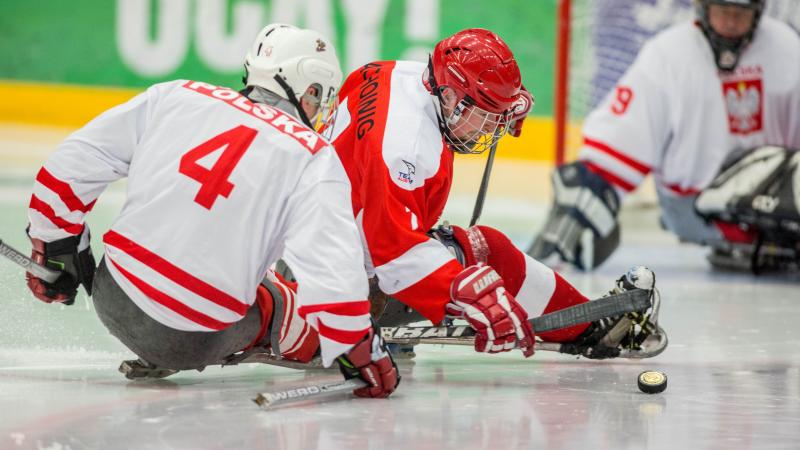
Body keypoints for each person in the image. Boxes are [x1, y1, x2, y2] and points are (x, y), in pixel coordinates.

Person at [24, 24, 399, 398]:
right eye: (321, 98)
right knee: (282, 300)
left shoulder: (177, 95)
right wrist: (358, 346)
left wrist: (56, 246)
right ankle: (293, 338)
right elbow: (330, 266)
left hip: (112, 296)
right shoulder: (314, 155)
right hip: (197, 338)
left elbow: (72, 164)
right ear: (311, 89)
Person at [312, 27, 665, 360]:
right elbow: (392, 255)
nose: (491, 127)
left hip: (320, 238)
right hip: (334, 279)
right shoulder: (404, 149)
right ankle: (591, 330)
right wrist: (467, 290)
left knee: (470, 250)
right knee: (487, 252)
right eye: (484, 115)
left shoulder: (391, 73)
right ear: (449, 96)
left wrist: (500, 105)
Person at [529, 0, 800, 272]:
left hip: (779, 201)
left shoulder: (787, 47)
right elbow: (607, 157)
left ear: (757, 13)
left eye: (740, 13)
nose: (731, 22)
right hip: (697, 207)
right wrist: (579, 203)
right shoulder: (668, 54)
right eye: (723, 11)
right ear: (703, 8)